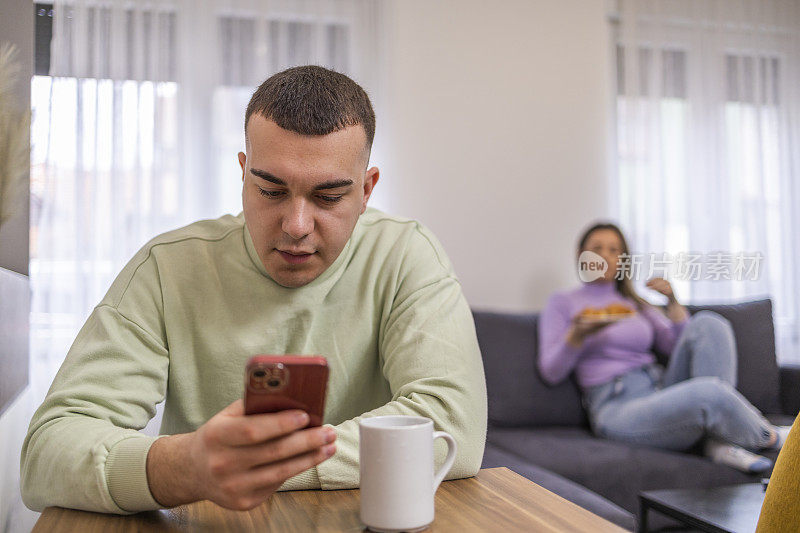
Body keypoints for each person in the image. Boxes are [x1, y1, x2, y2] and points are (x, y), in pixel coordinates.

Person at [20, 66, 487, 514]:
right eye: (270, 191)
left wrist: (249, 467)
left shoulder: (407, 254)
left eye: (328, 197)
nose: (297, 226)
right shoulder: (169, 267)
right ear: (243, 173)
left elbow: (454, 428)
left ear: (367, 190)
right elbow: (47, 454)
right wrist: (182, 468)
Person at [538, 222, 789, 473]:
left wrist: (672, 301)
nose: (605, 255)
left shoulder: (635, 303)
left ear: (623, 259)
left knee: (710, 323)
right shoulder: (564, 302)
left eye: (614, 250)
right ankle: (774, 438)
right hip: (617, 407)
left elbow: (678, 344)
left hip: (660, 390)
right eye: (597, 248)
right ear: (581, 254)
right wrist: (577, 335)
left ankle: (718, 443)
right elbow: (551, 371)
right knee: (708, 392)